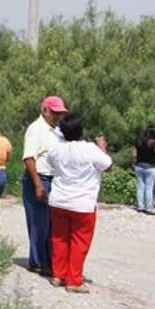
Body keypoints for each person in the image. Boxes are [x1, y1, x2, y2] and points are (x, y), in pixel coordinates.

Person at [47, 114, 112, 294]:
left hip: (59, 200)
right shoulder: (90, 149)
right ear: (81, 131)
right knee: (79, 242)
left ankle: (58, 274)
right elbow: (108, 166)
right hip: (82, 203)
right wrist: (102, 148)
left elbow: (51, 163)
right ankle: (74, 280)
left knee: (59, 239)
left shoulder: (56, 149)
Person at [22, 96, 67, 276]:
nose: (57, 116)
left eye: (60, 113)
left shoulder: (56, 131)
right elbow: (29, 158)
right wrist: (38, 184)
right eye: (55, 112)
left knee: (51, 223)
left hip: (53, 179)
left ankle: (48, 260)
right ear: (45, 110)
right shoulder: (36, 129)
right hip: (39, 178)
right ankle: (37, 261)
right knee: (38, 223)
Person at [133, 125, 155, 215]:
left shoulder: (138, 142)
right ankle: (149, 208)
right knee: (149, 187)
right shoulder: (154, 143)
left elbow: (134, 154)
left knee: (140, 186)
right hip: (150, 167)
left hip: (138, 166)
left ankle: (140, 206)